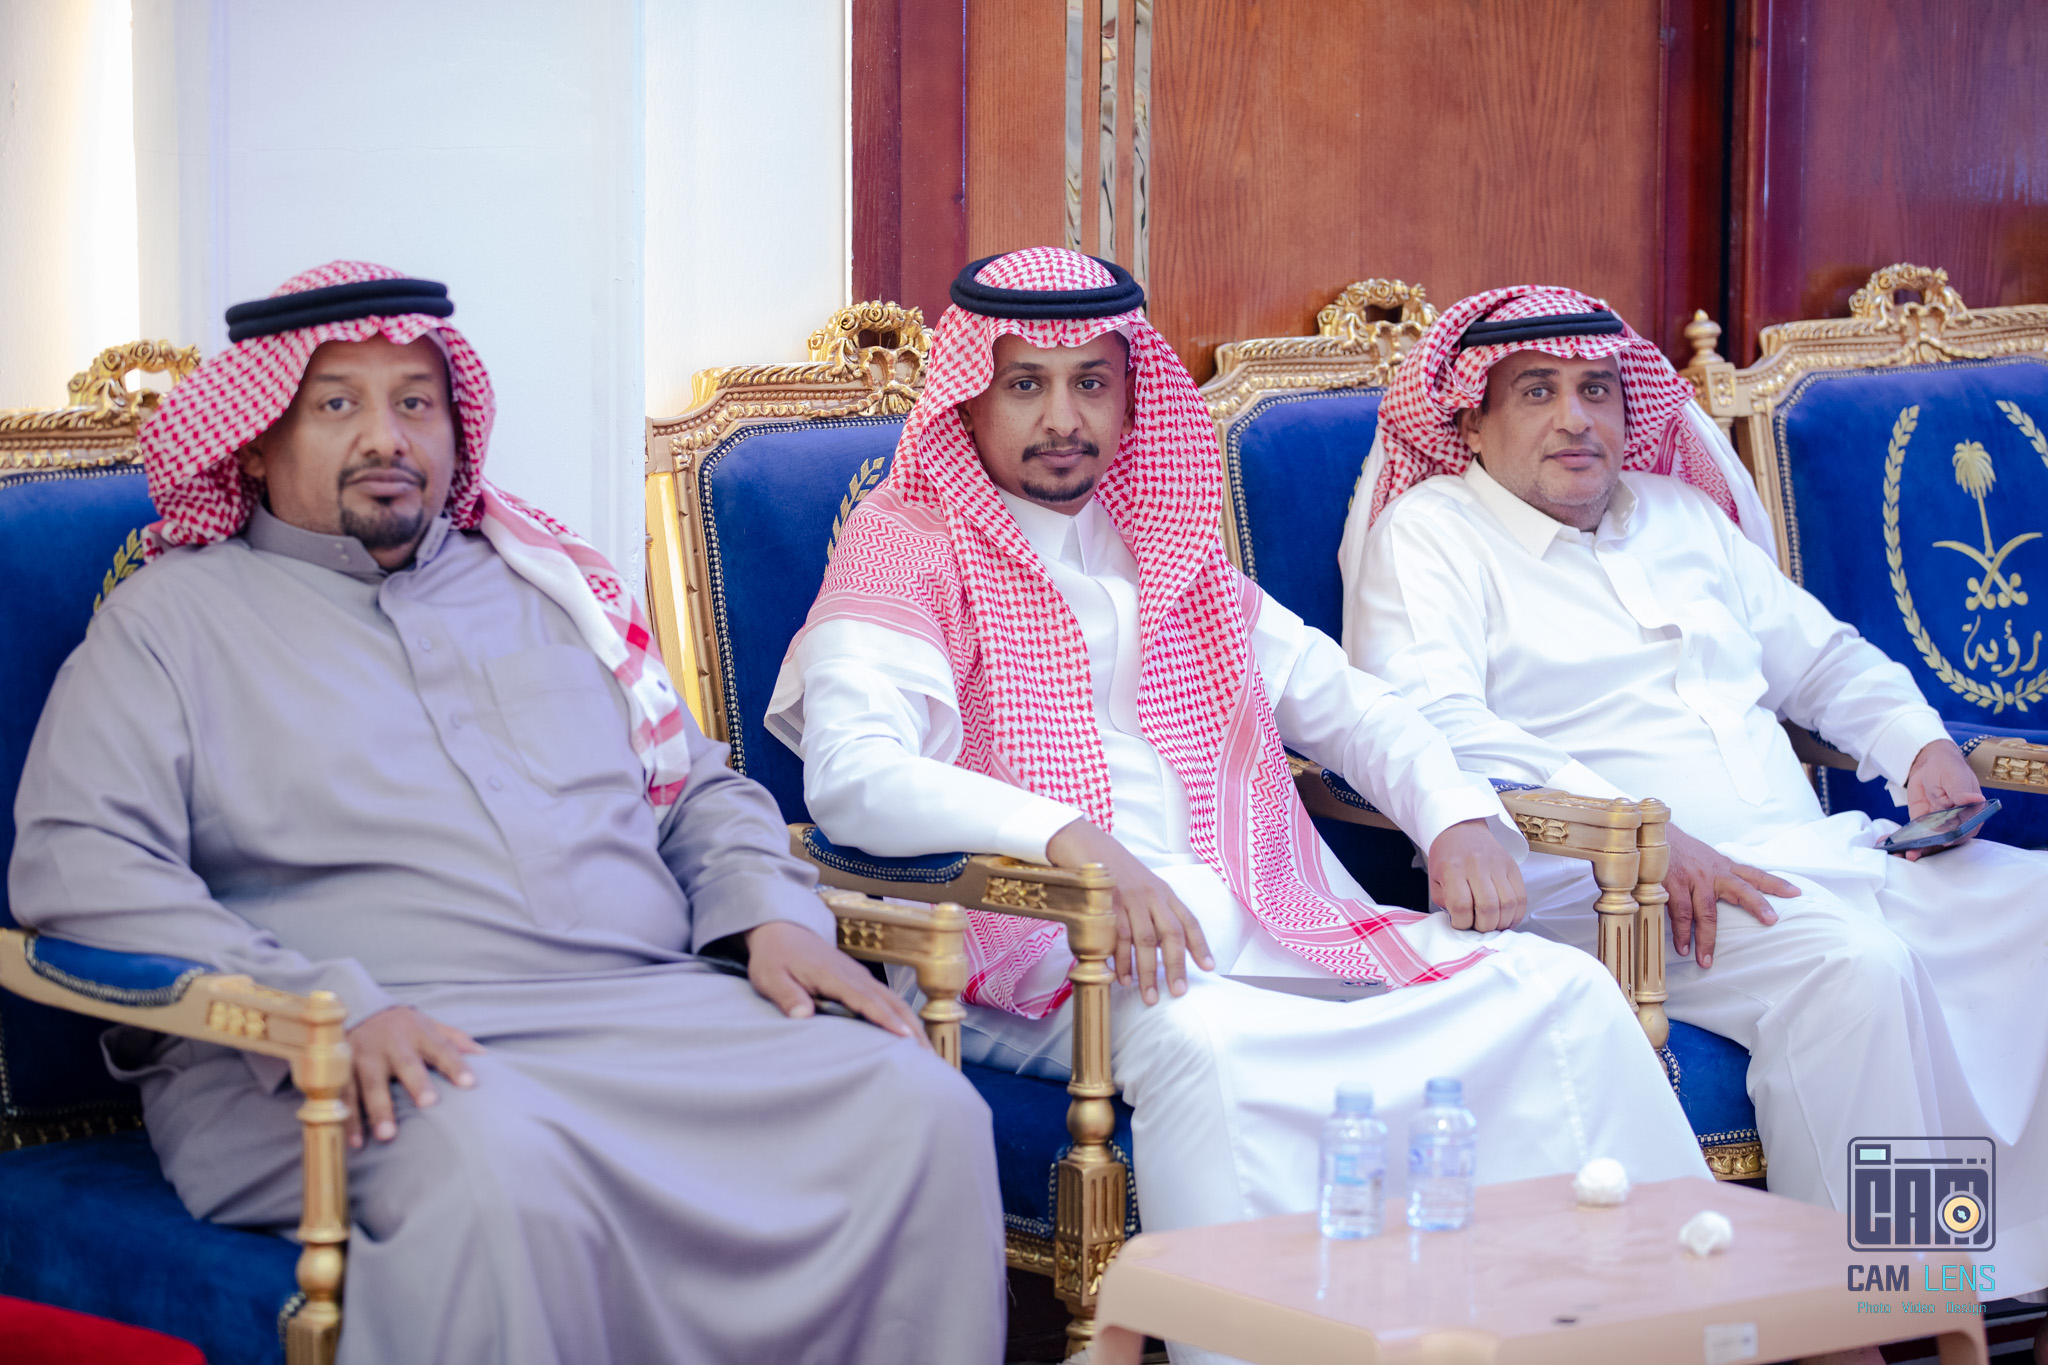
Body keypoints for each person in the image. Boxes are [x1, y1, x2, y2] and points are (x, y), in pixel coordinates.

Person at [8, 261, 1005, 1365]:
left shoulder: (545, 588)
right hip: (347, 1053)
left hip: (650, 1014)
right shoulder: (169, 622)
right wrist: (320, 1005)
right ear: (253, 442)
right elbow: (82, 865)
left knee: (919, 1114)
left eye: (415, 403)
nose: (385, 437)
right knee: (502, 1174)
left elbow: (693, 791)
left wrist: (769, 914)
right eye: (336, 404)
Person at [771, 248, 1709, 1361]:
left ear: (1132, 395)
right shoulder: (906, 545)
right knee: (1210, 1044)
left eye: (1091, 382)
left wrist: (1454, 814)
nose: (1063, 417)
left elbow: (1349, 705)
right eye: (1025, 383)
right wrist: (1074, 844)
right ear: (969, 396)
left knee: (1556, 988)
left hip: (1257, 918)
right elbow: (855, 774)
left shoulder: (1167, 548)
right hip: (1033, 948)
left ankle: (1633, 1330)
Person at [1341, 284, 2048, 1299]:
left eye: (1596, 390)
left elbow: (1820, 660)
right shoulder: (1431, 534)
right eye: (1536, 391)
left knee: (2034, 911)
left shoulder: (1678, 515)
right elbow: (1432, 722)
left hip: (1806, 858)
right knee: (1852, 968)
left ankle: (2004, 1270)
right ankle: (1875, 1307)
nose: (1574, 417)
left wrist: (1916, 744)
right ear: (1470, 422)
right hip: (1603, 890)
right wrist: (1648, 836)